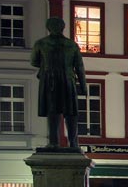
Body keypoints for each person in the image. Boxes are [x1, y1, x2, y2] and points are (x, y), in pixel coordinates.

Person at [30, 16, 87, 148]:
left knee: (53, 111)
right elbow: (79, 67)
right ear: (63, 28)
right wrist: (83, 86)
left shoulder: (41, 43)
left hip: (51, 80)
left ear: (48, 28)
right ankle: (73, 143)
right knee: (70, 112)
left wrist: (46, 65)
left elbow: (34, 61)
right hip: (68, 80)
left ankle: (54, 142)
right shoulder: (71, 45)